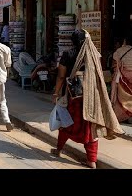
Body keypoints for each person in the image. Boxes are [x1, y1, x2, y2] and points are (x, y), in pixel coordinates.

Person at [51, 29, 123, 168]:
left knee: (66, 123)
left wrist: (56, 93)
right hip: (91, 96)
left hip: (74, 96)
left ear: (73, 41)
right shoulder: (94, 54)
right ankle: (91, 160)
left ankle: (59, 150)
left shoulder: (68, 54)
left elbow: (61, 76)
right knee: (91, 126)